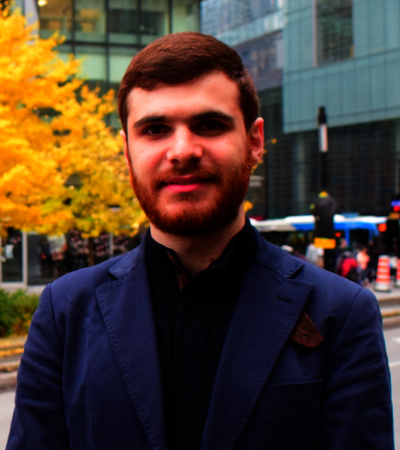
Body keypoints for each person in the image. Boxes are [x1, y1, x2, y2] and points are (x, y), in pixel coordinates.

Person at [7, 32, 393, 450]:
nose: (183, 151)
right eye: (155, 129)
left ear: (254, 142)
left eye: (209, 125)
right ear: (127, 152)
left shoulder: (341, 314)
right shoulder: (64, 313)